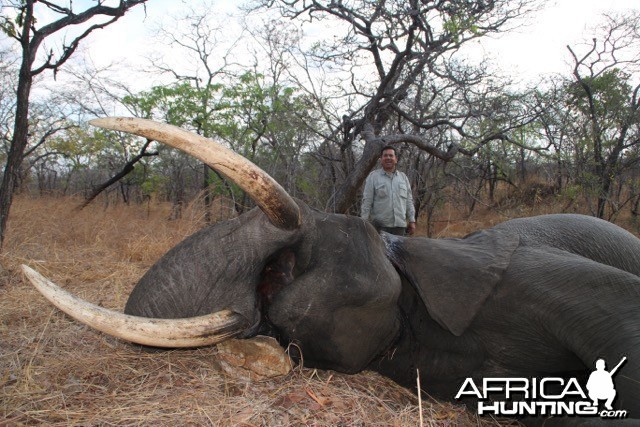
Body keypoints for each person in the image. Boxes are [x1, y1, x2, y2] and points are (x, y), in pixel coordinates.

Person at [361, 145, 416, 236]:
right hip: (380, 227)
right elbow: (367, 201)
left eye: (391, 155)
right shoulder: (373, 177)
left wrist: (412, 221)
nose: (388, 158)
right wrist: (364, 222)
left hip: (400, 227)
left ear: (396, 159)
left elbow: (409, 201)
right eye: (385, 155)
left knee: (398, 250)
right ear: (381, 159)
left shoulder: (403, 178)